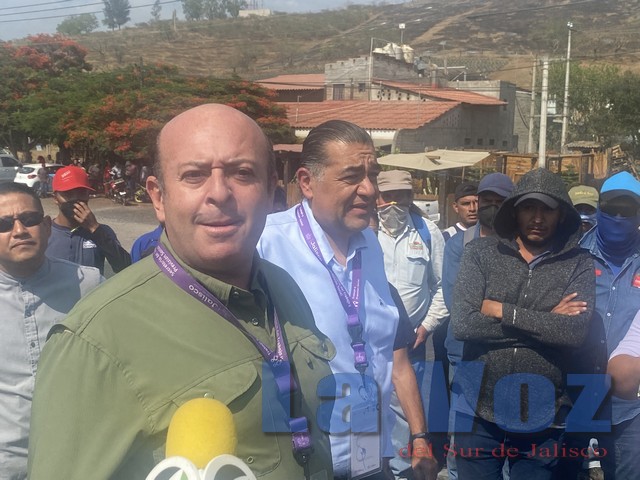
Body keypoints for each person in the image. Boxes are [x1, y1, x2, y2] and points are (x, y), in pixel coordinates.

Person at [28, 104, 336, 480]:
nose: (219, 193)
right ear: (159, 197)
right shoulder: (95, 342)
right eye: (194, 175)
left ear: (272, 190)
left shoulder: (282, 286)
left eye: (242, 173)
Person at [257, 120, 438, 480]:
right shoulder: (267, 245)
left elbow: (393, 354)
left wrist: (419, 438)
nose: (369, 189)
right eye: (352, 176)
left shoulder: (370, 244)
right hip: (305, 462)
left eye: (373, 175)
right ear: (307, 182)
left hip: (370, 453)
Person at [450, 168, 595, 479]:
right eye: (529, 207)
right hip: (477, 409)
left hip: (543, 415)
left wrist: (503, 311)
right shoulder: (480, 253)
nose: (537, 218)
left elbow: (573, 332)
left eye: (547, 209)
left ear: (562, 215)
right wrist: (546, 321)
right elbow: (463, 323)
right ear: (514, 210)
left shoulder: (579, 263)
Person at [0, 182, 102, 479]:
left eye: (29, 219)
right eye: (4, 224)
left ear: (46, 227)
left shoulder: (88, 285)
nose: (19, 230)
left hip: (77, 459)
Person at [375, 170, 448, 478]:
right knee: (367, 414)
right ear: (377, 197)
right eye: (388, 196)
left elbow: (443, 286)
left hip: (412, 343)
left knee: (406, 417)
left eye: (401, 196)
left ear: (411, 196)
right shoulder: (363, 232)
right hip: (370, 343)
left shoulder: (427, 232)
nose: (394, 203)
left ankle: (402, 472)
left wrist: (427, 325)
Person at [441, 172, 514, 480]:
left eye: (500, 201)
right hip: (465, 354)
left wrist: (492, 305)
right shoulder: (458, 245)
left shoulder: (520, 244)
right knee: (464, 434)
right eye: (487, 200)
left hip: (509, 357)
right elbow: (458, 304)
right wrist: (512, 315)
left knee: (508, 433)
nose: (491, 207)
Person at [579, 171, 640, 479]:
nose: (618, 216)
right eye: (612, 207)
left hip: (628, 405)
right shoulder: (573, 255)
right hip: (574, 393)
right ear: (599, 208)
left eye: (627, 210)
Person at [46, 165, 131, 275]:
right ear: (55, 198)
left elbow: (126, 268)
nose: (75, 198)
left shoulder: (102, 231)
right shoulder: (45, 234)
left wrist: (95, 229)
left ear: (88, 195)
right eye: (68, 194)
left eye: (81, 192)